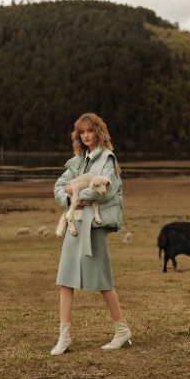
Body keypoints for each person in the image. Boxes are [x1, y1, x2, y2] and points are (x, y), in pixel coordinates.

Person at [50, 113, 131, 355]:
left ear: (98, 132)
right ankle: (64, 338)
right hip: (74, 225)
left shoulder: (107, 159)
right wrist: (69, 197)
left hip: (93, 228)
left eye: (90, 131)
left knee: (103, 282)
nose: (86, 135)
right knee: (65, 281)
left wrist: (75, 192)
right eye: (82, 132)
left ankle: (122, 330)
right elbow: (57, 189)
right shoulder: (76, 161)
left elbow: (103, 191)